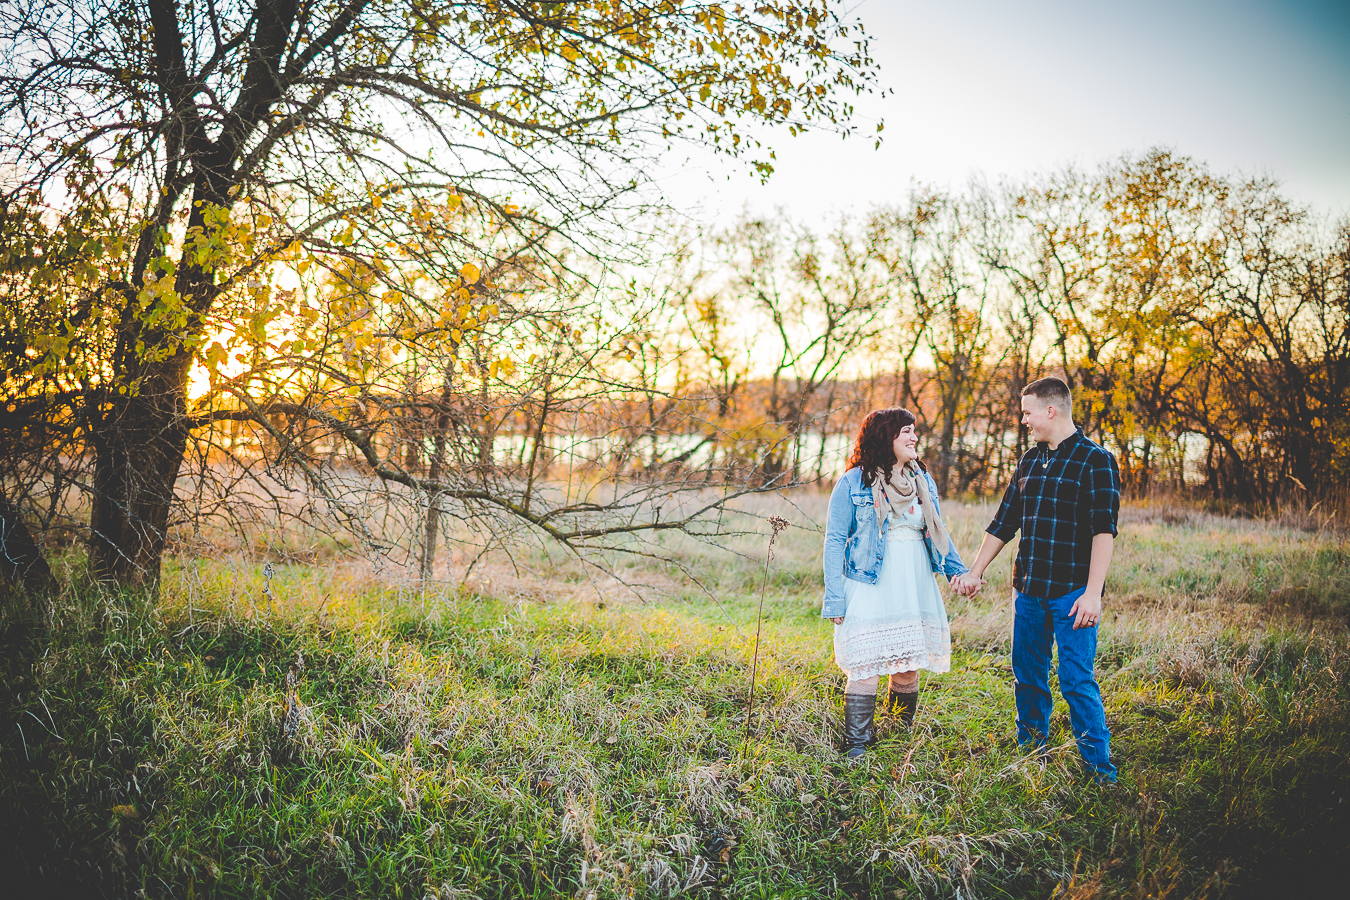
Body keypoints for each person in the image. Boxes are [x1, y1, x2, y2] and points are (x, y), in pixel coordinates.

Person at [953, 377, 1120, 782]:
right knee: (1028, 675)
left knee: (1076, 680)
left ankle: (1100, 770)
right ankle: (1031, 752)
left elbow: (1104, 530)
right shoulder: (1029, 460)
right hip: (1027, 590)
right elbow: (1004, 521)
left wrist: (1093, 595)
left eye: (1028, 412)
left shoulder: (1096, 460)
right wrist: (975, 570)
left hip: (1072, 595)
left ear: (1051, 410)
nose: (1024, 420)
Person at [822, 407, 969, 759]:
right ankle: (857, 744)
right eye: (906, 431)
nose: (914, 437)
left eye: (914, 431)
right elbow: (834, 540)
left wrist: (956, 571)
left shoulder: (922, 480)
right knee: (866, 663)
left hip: (914, 583)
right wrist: (834, 599)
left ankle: (899, 737)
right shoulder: (853, 482)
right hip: (870, 585)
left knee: (906, 666)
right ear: (886, 436)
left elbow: (937, 531)